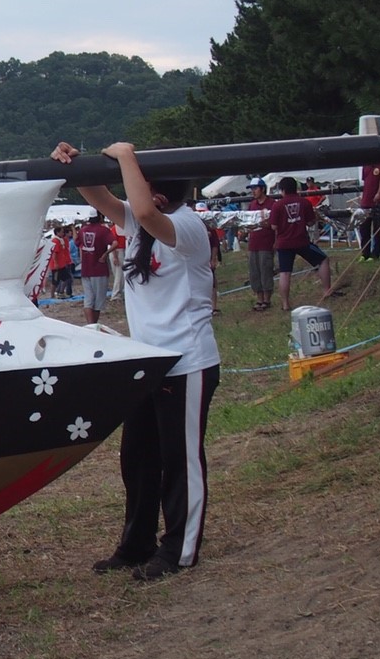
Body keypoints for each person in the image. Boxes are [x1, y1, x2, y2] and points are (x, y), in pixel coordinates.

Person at [51, 140, 219, 582]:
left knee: (180, 461)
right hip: (149, 363)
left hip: (188, 361)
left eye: (146, 183)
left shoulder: (187, 227)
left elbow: (145, 213)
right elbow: (100, 197)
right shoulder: (142, 222)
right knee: (139, 459)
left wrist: (127, 157)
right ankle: (136, 544)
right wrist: (76, 164)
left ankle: (179, 550)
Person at [269, 176, 337, 311]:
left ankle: (285, 304)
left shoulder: (277, 205)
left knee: (285, 273)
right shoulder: (304, 202)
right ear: (296, 188)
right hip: (301, 241)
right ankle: (327, 290)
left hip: (284, 243)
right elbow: (311, 222)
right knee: (322, 260)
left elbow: (273, 227)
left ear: (282, 190)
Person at [75, 213, 114, 324]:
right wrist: (105, 254)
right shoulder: (104, 230)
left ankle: (90, 325)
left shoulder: (83, 230)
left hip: (86, 268)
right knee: (98, 300)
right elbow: (114, 243)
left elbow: (77, 242)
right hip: (99, 268)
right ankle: (94, 325)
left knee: (88, 299)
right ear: (100, 217)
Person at [245, 181, 277, 312]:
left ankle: (267, 299)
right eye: (251, 189)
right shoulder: (252, 205)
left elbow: (276, 224)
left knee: (266, 269)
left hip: (267, 242)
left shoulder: (272, 204)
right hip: (254, 242)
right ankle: (259, 297)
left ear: (262, 189)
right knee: (254, 271)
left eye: (255, 188)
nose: (253, 191)